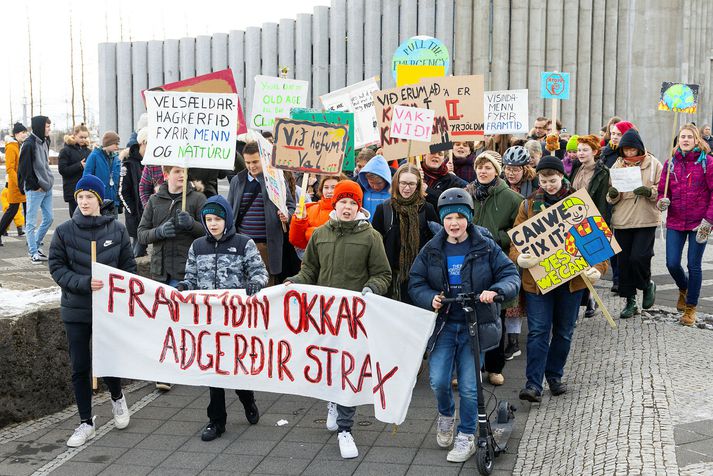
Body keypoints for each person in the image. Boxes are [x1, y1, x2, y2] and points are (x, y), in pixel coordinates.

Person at [409, 187, 519, 463]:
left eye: (459, 217)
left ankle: (467, 434)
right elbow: (416, 281)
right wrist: (429, 297)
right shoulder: (432, 248)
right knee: (438, 380)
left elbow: (509, 274)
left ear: (469, 218)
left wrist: (495, 291)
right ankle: (446, 414)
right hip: (444, 325)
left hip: (475, 323)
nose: (454, 223)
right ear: (442, 221)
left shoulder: (485, 245)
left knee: (471, 387)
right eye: (448, 218)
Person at [285, 180, 391, 459]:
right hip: (324, 317)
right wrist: (294, 282)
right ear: (335, 204)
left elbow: (383, 274)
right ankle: (332, 400)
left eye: (352, 203)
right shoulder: (320, 235)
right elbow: (309, 270)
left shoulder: (371, 237)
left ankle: (346, 429)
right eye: (343, 202)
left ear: (358, 206)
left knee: (349, 370)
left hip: (354, 317)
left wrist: (372, 288)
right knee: (329, 366)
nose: (347, 207)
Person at [48, 174, 136, 447]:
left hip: (107, 309)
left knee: (108, 359)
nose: (84, 202)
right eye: (80, 197)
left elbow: (128, 267)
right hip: (76, 309)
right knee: (80, 366)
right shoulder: (64, 231)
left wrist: (120, 292)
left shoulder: (117, 230)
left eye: (89, 197)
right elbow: (57, 267)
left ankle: (117, 398)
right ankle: (86, 421)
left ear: (99, 200)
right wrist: (84, 283)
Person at [512, 156, 608, 402]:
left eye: (552, 180)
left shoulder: (579, 203)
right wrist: (520, 257)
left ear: (561, 177)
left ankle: (554, 376)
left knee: (564, 331)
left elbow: (597, 241)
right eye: (544, 181)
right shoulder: (528, 205)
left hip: (570, 282)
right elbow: (516, 241)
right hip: (538, 283)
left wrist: (597, 269)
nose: (549, 185)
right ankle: (533, 384)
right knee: (538, 332)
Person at [176, 195, 267, 441]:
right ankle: (216, 421)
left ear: (226, 219)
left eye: (217, 219)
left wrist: (254, 284)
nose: (213, 224)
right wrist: (185, 285)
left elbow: (260, 273)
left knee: (236, 369)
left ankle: (247, 400)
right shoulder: (198, 246)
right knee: (214, 372)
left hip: (236, 319)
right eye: (208, 219)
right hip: (209, 320)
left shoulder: (243, 243)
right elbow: (191, 277)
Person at [138, 165, 207, 390]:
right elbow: (141, 233)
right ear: (167, 175)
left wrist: (193, 225)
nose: (181, 176)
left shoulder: (197, 199)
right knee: (162, 321)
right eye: (177, 171)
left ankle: (179, 364)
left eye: (184, 172)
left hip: (184, 270)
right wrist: (158, 232)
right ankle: (165, 369)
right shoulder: (154, 201)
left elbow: (210, 231)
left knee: (178, 320)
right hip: (160, 271)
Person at [465, 150, 523, 385]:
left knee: (494, 317)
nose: (483, 171)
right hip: (469, 264)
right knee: (469, 317)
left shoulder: (511, 198)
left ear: (496, 171)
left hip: (495, 263)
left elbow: (519, 231)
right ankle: (472, 368)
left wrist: (495, 237)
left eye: (488, 167)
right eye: (479, 166)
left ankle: (495, 367)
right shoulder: (467, 193)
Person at [657, 124, 713, 326]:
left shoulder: (707, 162)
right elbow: (663, 191)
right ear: (678, 140)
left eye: (690, 136)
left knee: (694, 265)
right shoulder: (670, 163)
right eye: (683, 137)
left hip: (701, 222)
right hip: (676, 220)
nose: (686, 140)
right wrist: (661, 201)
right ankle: (684, 288)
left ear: (697, 140)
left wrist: (709, 220)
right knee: (672, 263)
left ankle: (690, 308)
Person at [607, 129, 662, 319]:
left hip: (646, 218)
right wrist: (612, 195)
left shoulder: (654, 164)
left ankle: (647, 284)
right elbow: (610, 194)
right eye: (626, 150)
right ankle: (630, 301)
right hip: (622, 220)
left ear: (639, 148)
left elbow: (663, 189)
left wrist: (649, 192)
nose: (629, 154)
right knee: (624, 264)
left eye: (632, 150)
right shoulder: (616, 165)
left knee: (639, 257)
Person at [227, 141, 295, 284]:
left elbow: (290, 205)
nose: (251, 166)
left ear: (263, 159)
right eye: (248, 162)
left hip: (267, 246)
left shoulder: (275, 179)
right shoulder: (237, 181)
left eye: (255, 162)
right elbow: (230, 210)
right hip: (242, 244)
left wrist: (287, 215)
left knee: (266, 286)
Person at [372, 164, 439, 302]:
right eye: (403, 183)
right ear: (396, 183)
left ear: (418, 185)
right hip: (391, 279)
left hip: (420, 278)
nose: (407, 188)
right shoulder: (384, 209)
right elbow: (375, 245)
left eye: (411, 184)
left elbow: (436, 243)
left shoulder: (427, 209)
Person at [569, 134, 610, 318]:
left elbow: (602, 201)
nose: (580, 153)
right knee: (575, 259)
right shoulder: (577, 168)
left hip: (592, 219)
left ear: (594, 151)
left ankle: (590, 298)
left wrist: (600, 224)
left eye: (585, 150)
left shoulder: (602, 172)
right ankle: (581, 300)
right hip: (574, 218)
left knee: (590, 261)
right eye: (579, 150)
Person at [17, 115, 54, 264]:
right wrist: (35, 185)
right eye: (47, 126)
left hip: (47, 186)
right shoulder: (28, 144)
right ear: (39, 126)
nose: (49, 129)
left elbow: (44, 163)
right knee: (30, 223)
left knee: (49, 218)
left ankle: (36, 245)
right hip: (35, 189)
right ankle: (33, 252)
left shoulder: (46, 141)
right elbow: (24, 170)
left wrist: (47, 182)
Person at [288, 174, 346, 251]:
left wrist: (310, 232)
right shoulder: (310, 209)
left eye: (333, 187)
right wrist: (299, 221)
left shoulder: (347, 211)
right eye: (326, 187)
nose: (329, 191)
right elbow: (297, 241)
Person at [119, 127, 146, 256]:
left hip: (149, 213)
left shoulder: (152, 162)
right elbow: (122, 192)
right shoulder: (128, 164)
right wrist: (133, 211)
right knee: (137, 250)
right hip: (136, 215)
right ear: (143, 143)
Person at [0, 123, 28, 244]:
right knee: (12, 210)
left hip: (24, 184)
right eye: (22, 132)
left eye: (25, 132)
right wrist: (19, 182)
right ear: (16, 134)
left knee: (29, 211)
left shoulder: (20, 145)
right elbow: (10, 169)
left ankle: (31, 238)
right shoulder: (11, 146)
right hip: (16, 185)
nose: (25, 134)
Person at [84, 131, 122, 216]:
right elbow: (86, 177)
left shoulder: (116, 158)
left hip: (113, 201)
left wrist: (118, 200)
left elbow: (119, 179)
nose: (117, 146)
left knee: (113, 227)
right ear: (109, 143)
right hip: (100, 200)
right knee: (100, 226)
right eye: (115, 144)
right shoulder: (94, 156)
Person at [58, 124, 91, 216]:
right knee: (76, 218)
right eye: (81, 137)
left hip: (87, 189)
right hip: (73, 191)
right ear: (74, 135)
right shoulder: (65, 151)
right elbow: (62, 170)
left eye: (85, 137)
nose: (83, 140)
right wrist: (79, 165)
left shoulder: (88, 151)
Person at [357, 154, 392, 220]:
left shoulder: (394, 192)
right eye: (371, 183)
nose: (375, 187)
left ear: (386, 179)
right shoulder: (361, 191)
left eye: (379, 183)